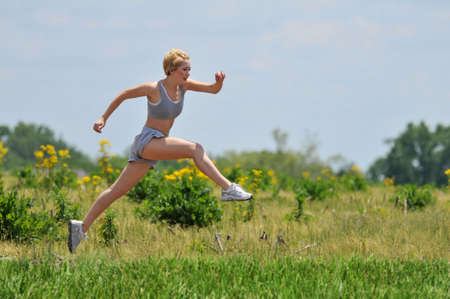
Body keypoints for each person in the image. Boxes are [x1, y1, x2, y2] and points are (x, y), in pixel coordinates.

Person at [68, 49, 253, 253]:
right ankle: (228, 188)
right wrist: (103, 118)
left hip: (158, 144)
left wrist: (218, 83)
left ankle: (80, 228)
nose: (188, 73)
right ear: (172, 69)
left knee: (117, 191)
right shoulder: (154, 88)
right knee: (195, 149)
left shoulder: (184, 87)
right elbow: (124, 95)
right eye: (185, 69)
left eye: (189, 69)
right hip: (148, 141)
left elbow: (212, 90)